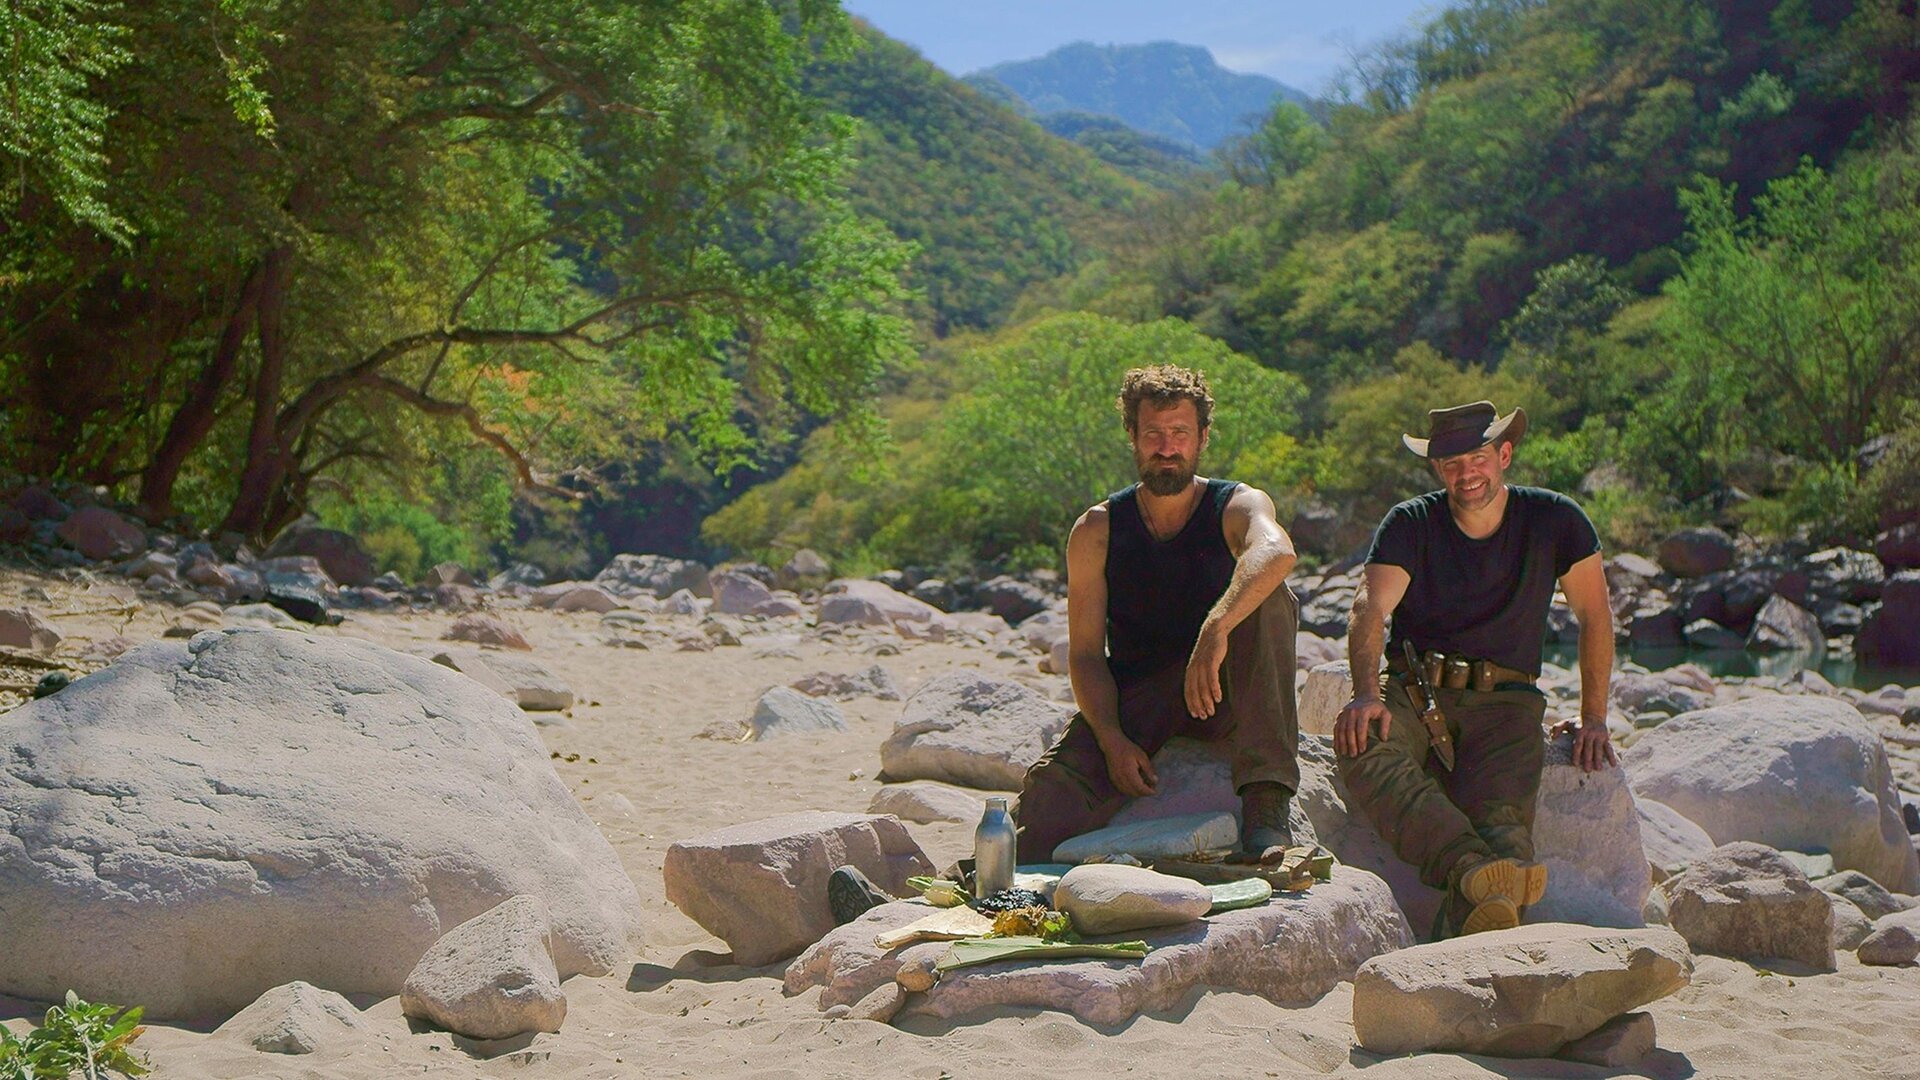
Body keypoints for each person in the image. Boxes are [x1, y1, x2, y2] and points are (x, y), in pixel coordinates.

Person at [1333, 400, 1616, 938]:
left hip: (1508, 704)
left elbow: (1595, 614)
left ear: (1504, 454)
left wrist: (1594, 716)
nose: (1467, 473)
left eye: (1478, 457)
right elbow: (1369, 607)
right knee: (1363, 743)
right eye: (1452, 463)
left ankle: (1466, 934)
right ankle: (1467, 865)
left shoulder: (1556, 519)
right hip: (1417, 690)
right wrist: (1366, 692)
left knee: (1506, 834)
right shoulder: (1410, 523)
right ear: (1438, 469)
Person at [1015, 365, 1301, 865]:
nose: (1167, 448)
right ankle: (971, 882)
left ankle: (1267, 805)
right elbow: (1084, 655)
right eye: (1153, 434)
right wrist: (1110, 740)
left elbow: (1276, 551)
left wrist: (1215, 629)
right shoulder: (1097, 531)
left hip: (1226, 692)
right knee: (1048, 796)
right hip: (1143, 697)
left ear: (1202, 438)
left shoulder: (1235, 505)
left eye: (1180, 434)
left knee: (1268, 597)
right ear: (1132, 436)